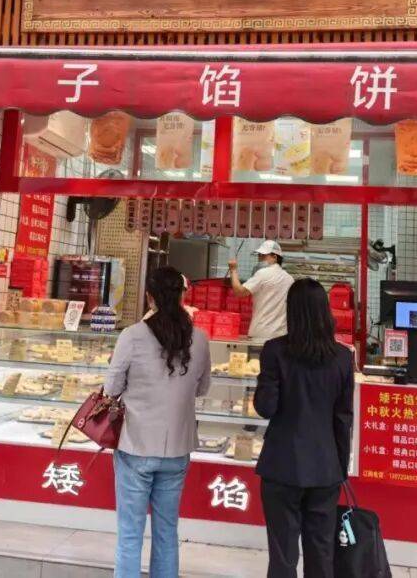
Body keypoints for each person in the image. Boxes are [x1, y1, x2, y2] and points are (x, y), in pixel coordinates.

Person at [104, 266, 212, 578]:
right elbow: (202, 389)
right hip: (177, 448)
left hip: (136, 446)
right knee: (167, 532)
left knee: (130, 534)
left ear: (149, 297)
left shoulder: (132, 336)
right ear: (182, 296)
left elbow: (111, 388)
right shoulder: (199, 338)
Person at [254, 278, 355, 578]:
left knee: (283, 556)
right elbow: (343, 418)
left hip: (282, 466)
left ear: (291, 311)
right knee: (321, 553)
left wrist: (267, 382)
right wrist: (340, 467)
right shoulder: (342, 358)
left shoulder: (274, 351)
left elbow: (265, 407)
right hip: (325, 469)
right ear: (325, 311)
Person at [229, 240, 294, 340]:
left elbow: (239, 292)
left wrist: (233, 270)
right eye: (259, 256)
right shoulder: (289, 279)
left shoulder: (263, 274)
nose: (259, 259)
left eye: (263, 256)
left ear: (274, 257)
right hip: (282, 334)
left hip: (262, 333)